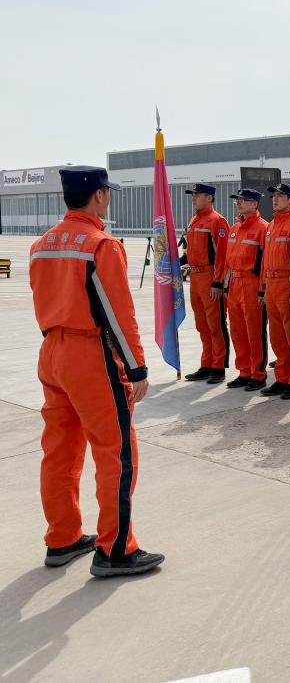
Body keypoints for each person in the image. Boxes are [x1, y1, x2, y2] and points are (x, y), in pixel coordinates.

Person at [30, 166, 164, 577]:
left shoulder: (41, 245)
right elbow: (118, 313)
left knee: (59, 450)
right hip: (90, 355)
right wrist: (137, 367)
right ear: (99, 195)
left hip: (52, 351)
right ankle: (115, 550)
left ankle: (62, 537)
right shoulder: (100, 245)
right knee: (116, 453)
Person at [258, 183, 290, 399]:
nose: (275, 199)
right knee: (277, 336)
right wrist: (262, 288)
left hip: (287, 285)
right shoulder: (271, 226)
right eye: (274, 196)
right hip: (271, 285)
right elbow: (264, 260)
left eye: (280, 195)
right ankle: (282, 377)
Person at [181, 182, 230, 384]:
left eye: (197, 195)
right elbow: (191, 251)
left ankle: (218, 366)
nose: (193, 198)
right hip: (195, 277)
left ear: (209, 198)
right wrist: (179, 262)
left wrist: (218, 283)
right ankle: (207, 363)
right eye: (192, 195)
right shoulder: (194, 220)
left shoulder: (217, 221)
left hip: (210, 277)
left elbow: (222, 255)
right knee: (201, 325)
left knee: (215, 324)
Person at [224, 189, 269, 391]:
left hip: (251, 283)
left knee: (254, 331)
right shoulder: (234, 228)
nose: (239, 203)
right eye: (238, 200)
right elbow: (227, 260)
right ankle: (244, 371)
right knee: (238, 331)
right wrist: (226, 285)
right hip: (234, 283)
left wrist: (262, 290)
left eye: (244, 200)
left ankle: (258, 373)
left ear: (255, 204)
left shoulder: (263, 228)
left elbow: (265, 262)